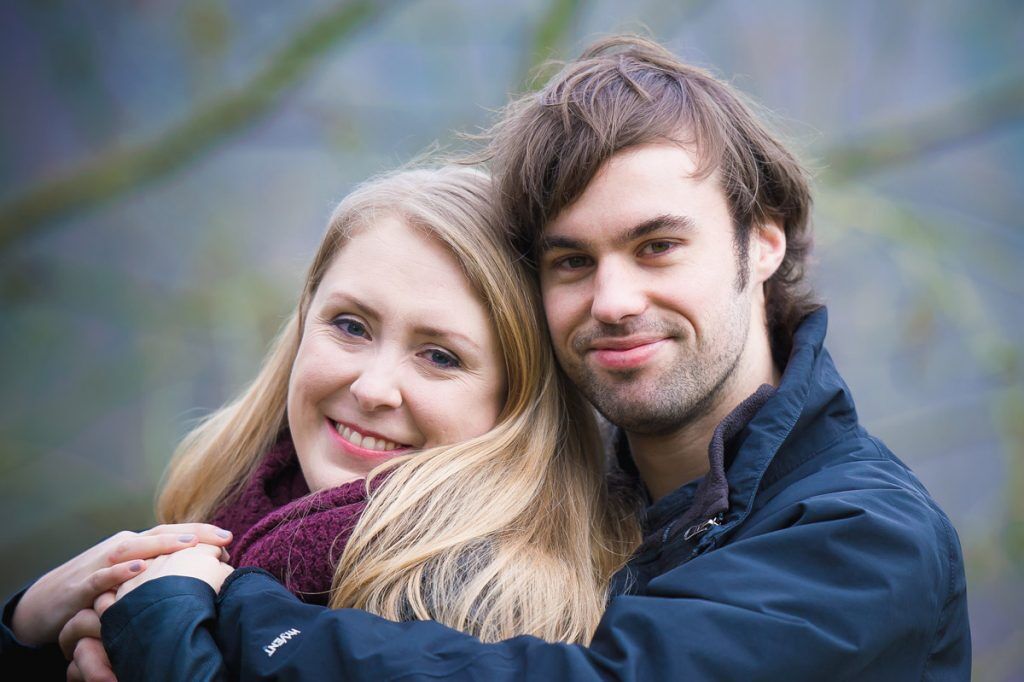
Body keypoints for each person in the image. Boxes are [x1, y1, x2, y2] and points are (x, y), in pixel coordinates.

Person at [72, 35, 973, 680]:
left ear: (762, 243)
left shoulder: (860, 535)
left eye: (658, 245)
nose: (613, 300)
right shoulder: (583, 510)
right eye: (571, 260)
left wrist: (215, 607)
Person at [1, 166, 637, 680]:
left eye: (440, 356)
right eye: (351, 325)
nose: (371, 387)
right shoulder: (210, 528)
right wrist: (30, 629)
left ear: (519, 403)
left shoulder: (477, 610)